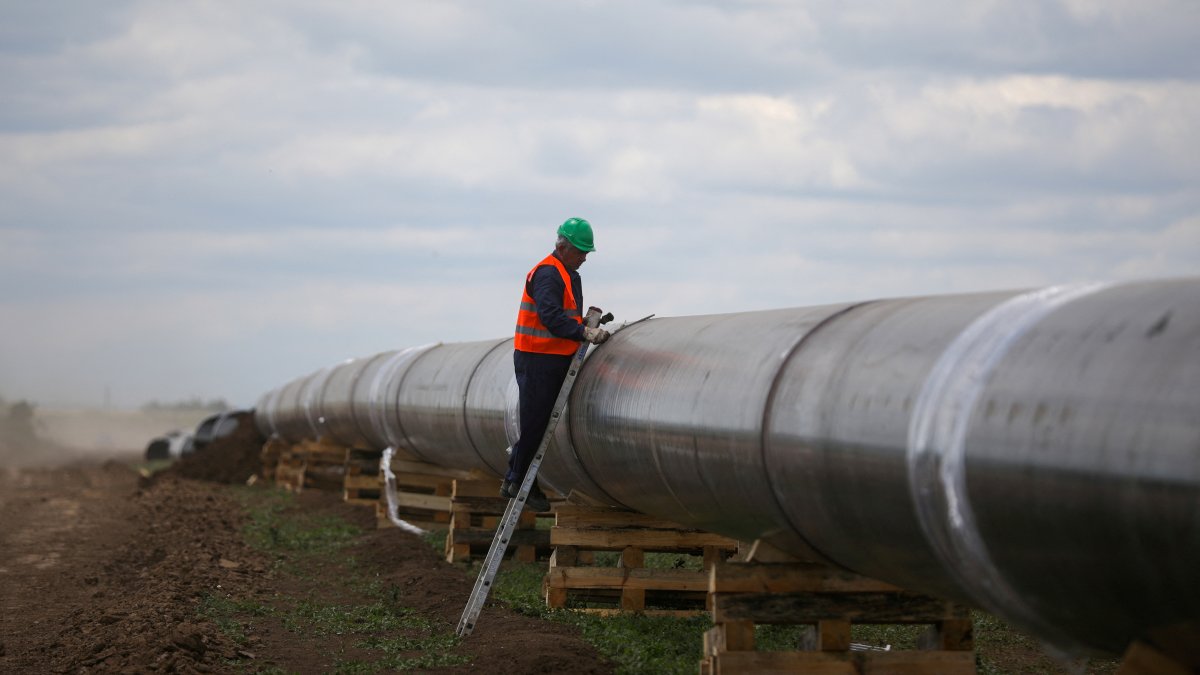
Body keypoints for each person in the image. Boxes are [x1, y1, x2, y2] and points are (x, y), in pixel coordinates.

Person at [503, 217, 611, 511]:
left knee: (538, 422)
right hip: (538, 359)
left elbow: (563, 314)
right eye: (580, 252)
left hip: (551, 357)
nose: (584, 258)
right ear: (563, 247)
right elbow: (551, 317)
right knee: (536, 424)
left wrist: (582, 323)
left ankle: (516, 476)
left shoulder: (567, 273)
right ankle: (517, 480)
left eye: (586, 253)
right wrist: (583, 332)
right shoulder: (548, 273)